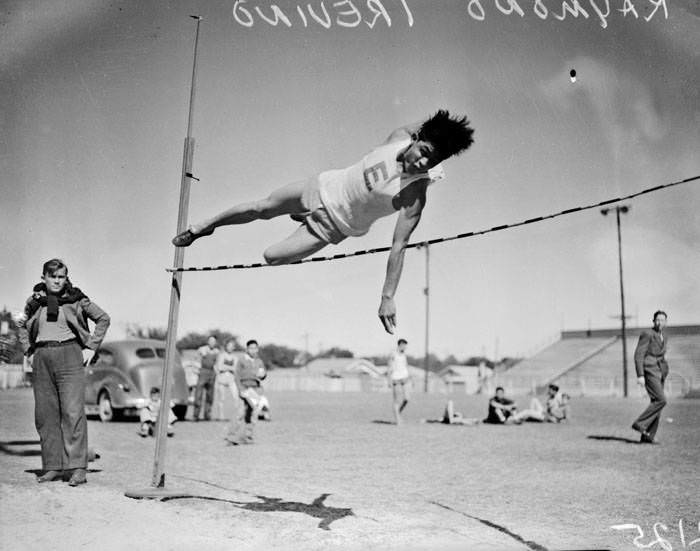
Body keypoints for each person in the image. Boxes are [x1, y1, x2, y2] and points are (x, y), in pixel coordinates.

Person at [172, 110, 475, 334]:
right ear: (417, 140)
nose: (422, 163)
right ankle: (205, 226)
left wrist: (387, 298)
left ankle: (303, 222)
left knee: (272, 257)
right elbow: (425, 126)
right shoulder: (398, 137)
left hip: (336, 224)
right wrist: (447, 126)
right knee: (260, 207)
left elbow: (400, 245)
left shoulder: (415, 194)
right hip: (322, 187)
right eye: (423, 152)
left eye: (432, 162)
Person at [17, 258, 110, 486]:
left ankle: (77, 468)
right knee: (45, 415)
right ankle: (52, 467)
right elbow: (20, 323)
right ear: (44, 278)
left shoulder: (77, 298)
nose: (57, 281)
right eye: (53, 277)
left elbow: (103, 319)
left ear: (65, 278)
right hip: (42, 357)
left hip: (70, 354)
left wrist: (91, 347)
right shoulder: (35, 301)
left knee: (72, 412)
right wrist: (28, 350)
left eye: (61, 277)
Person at [632, 310, 669, 444]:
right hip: (649, 370)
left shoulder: (664, 335)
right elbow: (638, 355)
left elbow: (662, 353)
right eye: (657, 320)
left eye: (663, 320)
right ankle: (640, 423)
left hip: (661, 371)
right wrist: (640, 375)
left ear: (666, 322)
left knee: (657, 404)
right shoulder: (647, 334)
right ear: (653, 321)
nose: (660, 322)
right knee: (661, 400)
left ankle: (648, 436)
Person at [226, 339, 267, 445]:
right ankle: (231, 437)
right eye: (251, 348)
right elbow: (237, 376)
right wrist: (241, 390)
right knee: (240, 413)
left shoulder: (259, 361)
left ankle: (248, 436)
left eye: (255, 348)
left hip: (255, 390)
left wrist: (263, 375)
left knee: (253, 414)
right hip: (244, 388)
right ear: (247, 349)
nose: (253, 350)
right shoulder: (242, 360)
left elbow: (262, 374)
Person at [193, 335, 220, 421]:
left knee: (210, 395)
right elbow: (196, 359)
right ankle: (196, 415)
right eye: (211, 341)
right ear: (208, 341)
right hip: (203, 372)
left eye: (214, 342)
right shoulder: (202, 349)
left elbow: (217, 363)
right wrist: (197, 369)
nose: (212, 343)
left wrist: (216, 373)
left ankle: (207, 415)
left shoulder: (216, 351)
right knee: (198, 394)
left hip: (212, 373)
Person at [213, 338, 239, 421]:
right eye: (229, 346)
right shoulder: (221, 355)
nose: (230, 348)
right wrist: (230, 368)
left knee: (236, 396)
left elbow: (236, 369)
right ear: (226, 347)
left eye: (232, 346)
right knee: (221, 398)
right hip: (221, 379)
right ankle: (221, 416)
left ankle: (237, 415)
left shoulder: (235, 357)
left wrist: (226, 367)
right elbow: (219, 367)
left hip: (231, 379)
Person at [387, 338, 411, 424]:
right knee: (396, 400)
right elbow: (389, 367)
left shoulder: (404, 355)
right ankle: (397, 419)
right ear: (400, 345)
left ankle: (398, 412)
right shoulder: (393, 354)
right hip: (395, 378)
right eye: (404, 346)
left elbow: (406, 366)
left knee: (407, 398)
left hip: (404, 377)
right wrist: (389, 379)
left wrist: (410, 377)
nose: (405, 348)